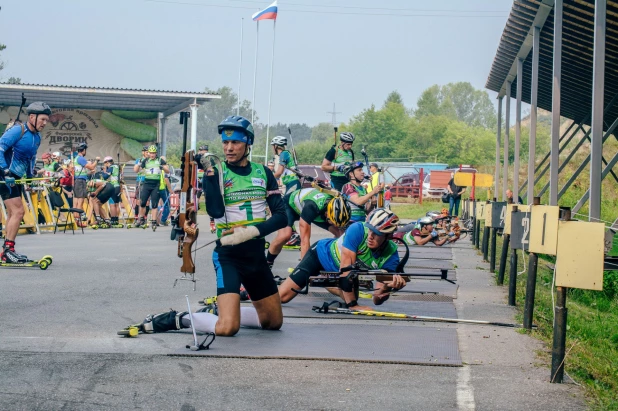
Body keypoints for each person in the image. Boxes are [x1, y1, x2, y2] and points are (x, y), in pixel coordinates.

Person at [135, 115, 287, 338]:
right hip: (229, 256)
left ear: (247, 144)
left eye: (235, 142)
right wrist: (210, 175)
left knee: (273, 323)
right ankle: (177, 319)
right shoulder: (217, 172)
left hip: (256, 256)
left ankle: (216, 312)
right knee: (227, 328)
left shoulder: (262, 172)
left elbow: (282, 217)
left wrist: (252, 231)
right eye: (225, 143)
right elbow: (215, 211)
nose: (229, 148)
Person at [278, 208, 406, 310]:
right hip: (320, 255)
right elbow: (345, 272)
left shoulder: (391, 256)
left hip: (340, 272)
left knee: (351, 295)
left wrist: (386, 289)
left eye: (376, 233)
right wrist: (353, 306)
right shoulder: (358, 230)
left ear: (388, 236)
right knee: (281, 297)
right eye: (370, 230)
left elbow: (377, 300)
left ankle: (324, 280)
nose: (370, 236)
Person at [0, 102, 51, 262]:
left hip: (17, 178)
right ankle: (9, 250)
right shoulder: (18, 131)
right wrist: (4, 170)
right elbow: (0, 149)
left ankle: (6, 251)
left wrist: (30, 176)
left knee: (12, 214)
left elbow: (31, 157)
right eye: (42, 119)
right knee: (18, 212)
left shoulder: (37, 136)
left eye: (46, 120)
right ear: (32, 117)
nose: (44, 123)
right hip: (5, 176)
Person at [266, 188, 351, 268]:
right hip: (289, 205)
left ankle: (337, 260)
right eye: (332, 221)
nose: (334, 225)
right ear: (327, 214)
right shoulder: (311, 207)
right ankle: (267, 264)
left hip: (318, 210)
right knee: (285, 236)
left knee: (341, 234)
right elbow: (304, 241)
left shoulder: (338, 204)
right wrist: (304, 270)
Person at [133, 145, 169, 227]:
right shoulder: (146, 160)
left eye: (153, 153)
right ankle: (141, 219)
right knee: (142, 203)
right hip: (146, 183)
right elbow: (136, 170)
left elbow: (168, 171)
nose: (152, 155)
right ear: (148, 153)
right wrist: (138, 164)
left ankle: (153, 220)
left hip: (156, 184)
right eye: (150, 153)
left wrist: (162, 167)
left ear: (156, 153)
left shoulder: (160, 160)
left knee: (155, 204)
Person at [73, 142, 99, 227]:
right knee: (80, 201)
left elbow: (81, 171)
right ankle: (78, 221)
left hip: (77, 180)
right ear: (83, 150)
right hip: (80, 181)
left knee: (77, 201)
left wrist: (88, 173)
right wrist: (97, 161)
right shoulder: (81, 158)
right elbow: (91, 166)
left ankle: (76, 220)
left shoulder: (76, 158)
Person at [102, 156, 122, 227]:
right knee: (117, 204)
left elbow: (105, 177)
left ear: (107, 162)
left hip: (112, 187)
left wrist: (104, 171)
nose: (105, 165)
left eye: (105, 163)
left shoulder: (111, 167)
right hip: (118, 186)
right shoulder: (117, 167)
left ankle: (113, 220)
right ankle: (117, 219)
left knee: (112, 204)